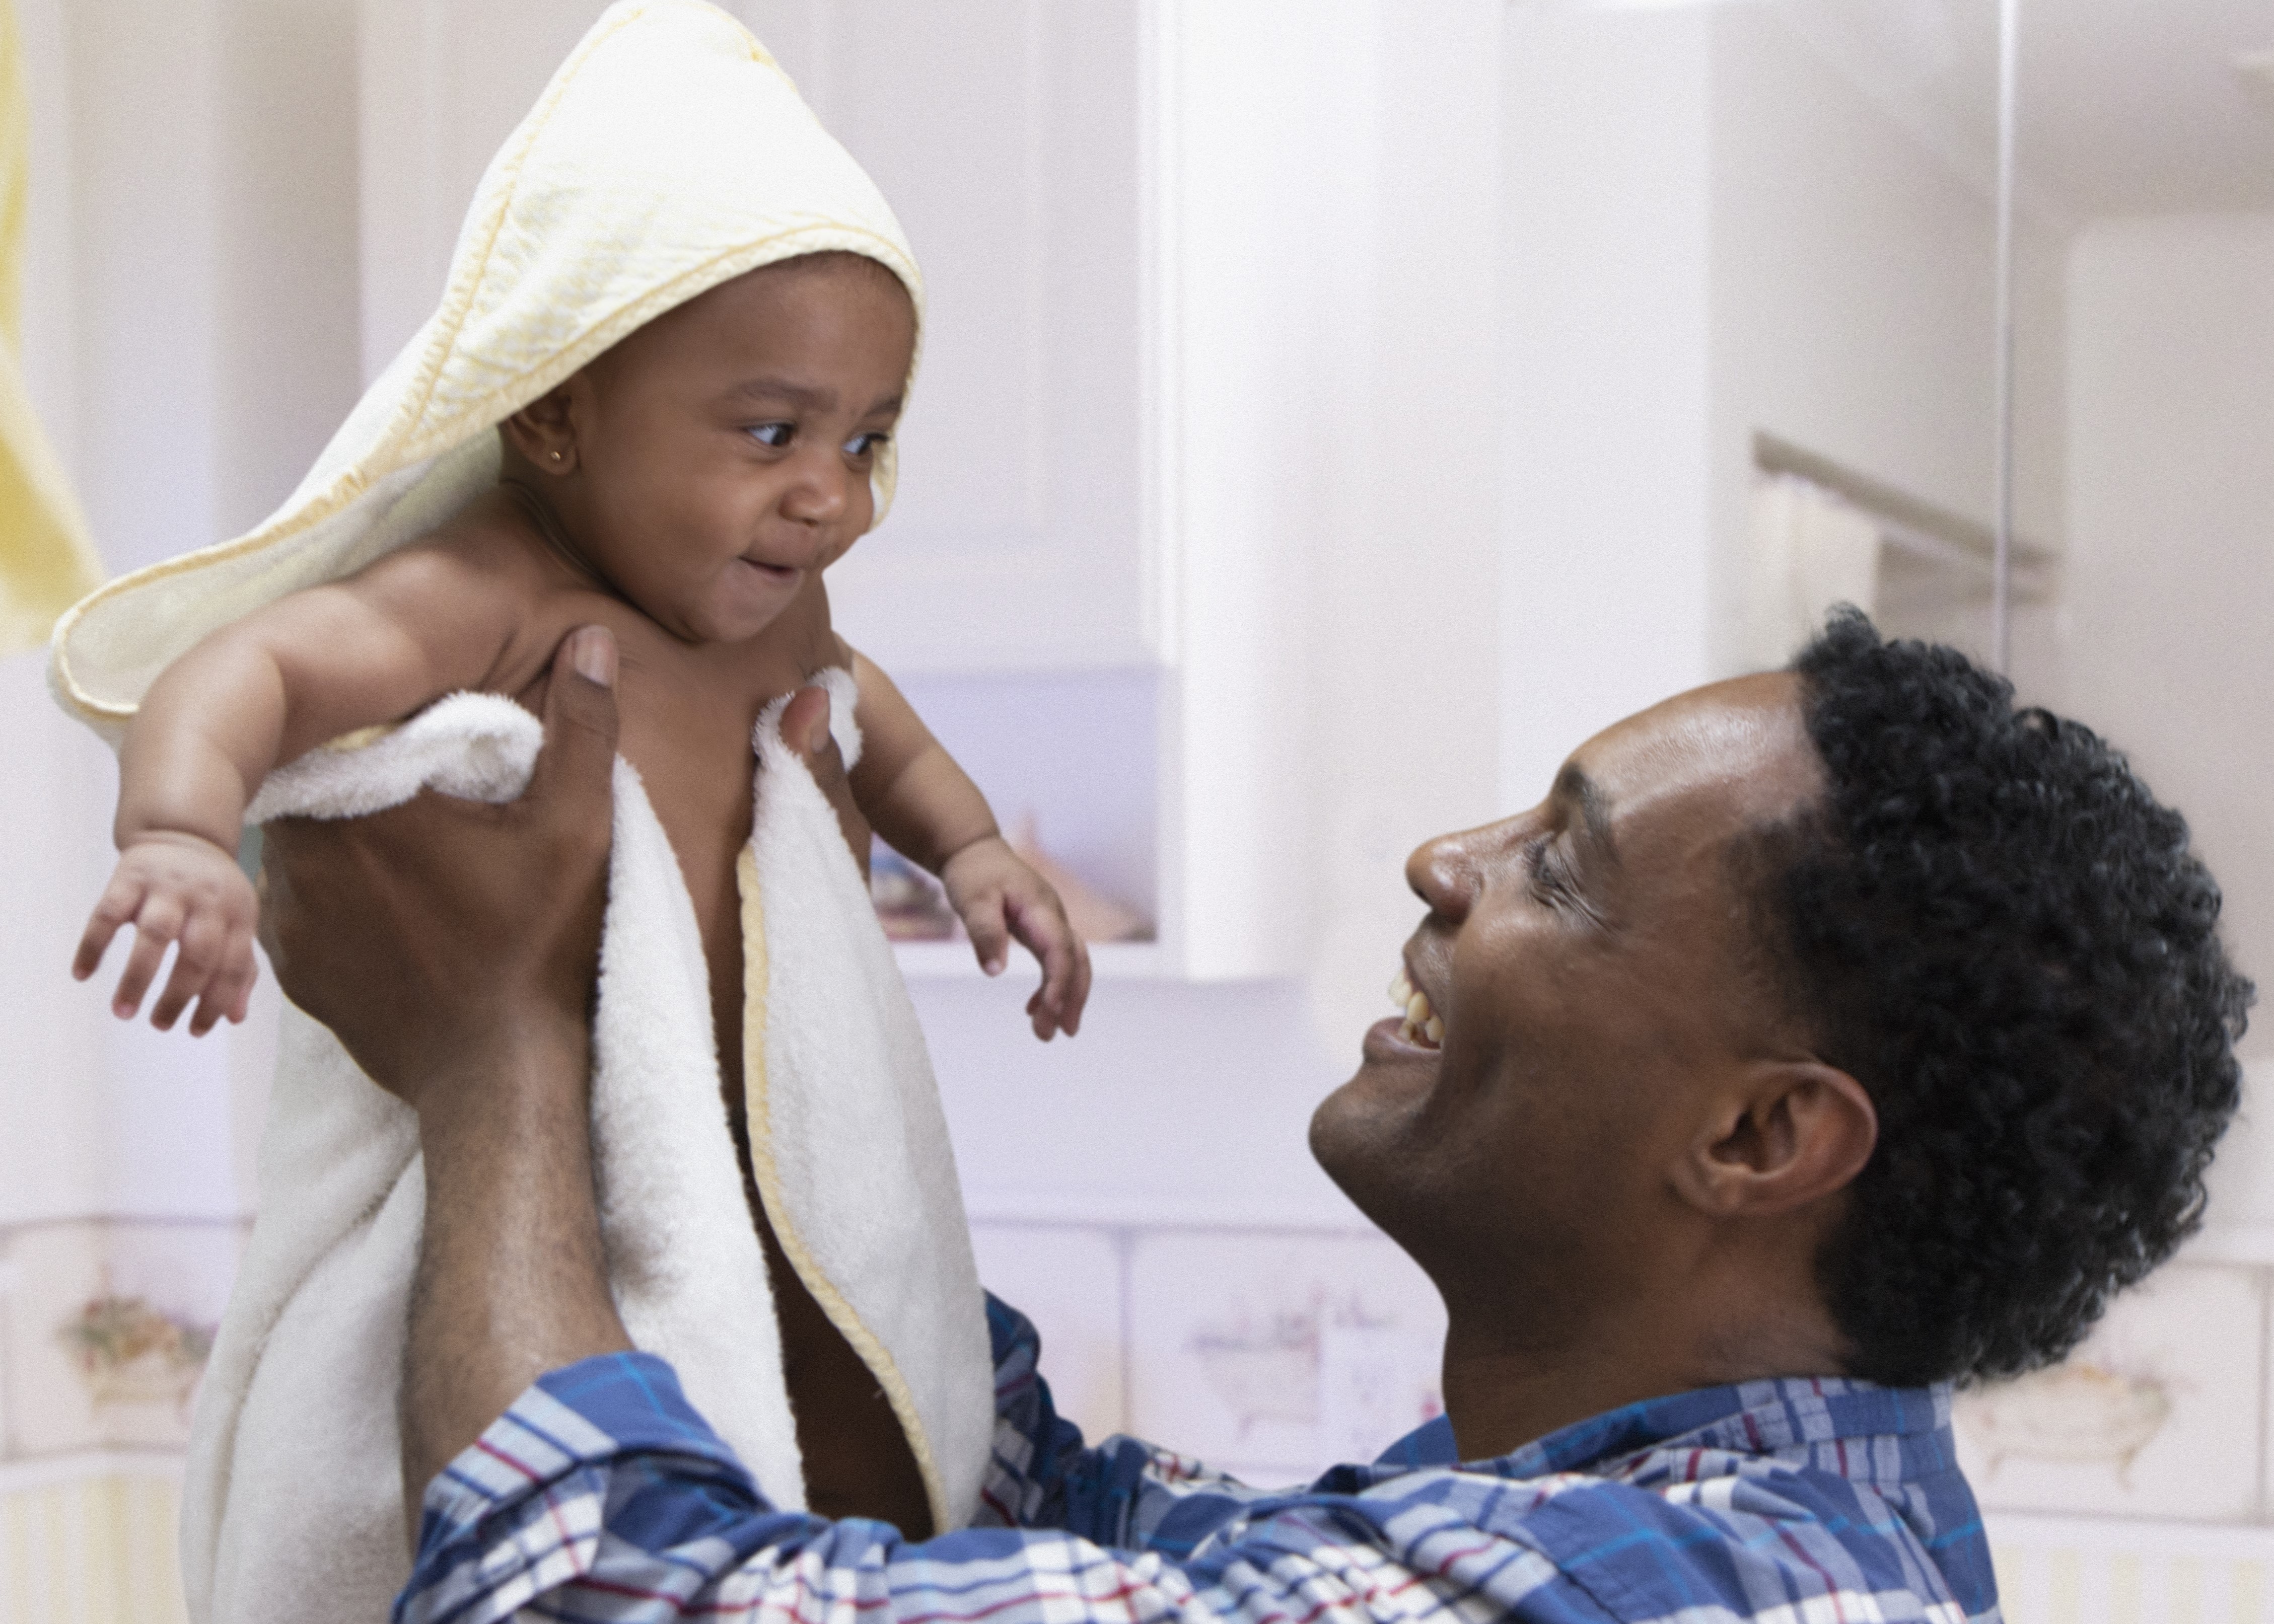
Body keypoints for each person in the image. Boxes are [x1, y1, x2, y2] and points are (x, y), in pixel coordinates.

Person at [258, 610, 2250, 1623]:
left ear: (1753, 1143)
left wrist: (494, 1063)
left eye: (1560, 869)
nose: (1438, 860)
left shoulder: (1712, 1598)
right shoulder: (1604, 1513)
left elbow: (605, 1605)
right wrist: (725, 905)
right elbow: (1055, 1510)